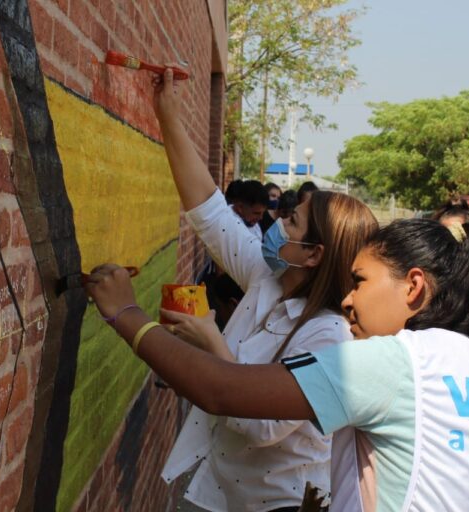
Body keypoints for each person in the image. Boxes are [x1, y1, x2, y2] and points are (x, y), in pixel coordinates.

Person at [86, 217, 469, 512]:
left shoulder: (401, 362)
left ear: (414, 287)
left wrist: (126, 314)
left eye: (360, 282)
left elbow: (221, 390)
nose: (347, 299)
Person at [145, 68, 378, 511]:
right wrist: (168, 115)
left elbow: (260, 425)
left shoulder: (328, 336)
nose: (275, 227)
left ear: (312, 254)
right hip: (221, 491)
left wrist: (209, 340)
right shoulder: (267, 280)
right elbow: (209, 212)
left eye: (291, 223)